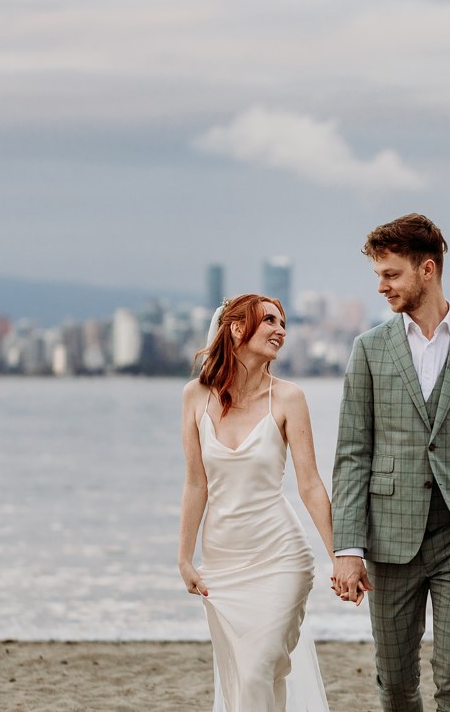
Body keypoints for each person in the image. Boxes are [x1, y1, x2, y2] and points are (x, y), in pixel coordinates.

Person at [330, 213, 450, 712]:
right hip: (390, 540)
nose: (381, 286)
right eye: (377, 275)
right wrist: (347, 548)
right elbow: (352, 455)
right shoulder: (369, 350)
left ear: (427, 269)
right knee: (394, 684)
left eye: (390, 274)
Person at [178, 293, 334, 712]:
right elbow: (196, 484)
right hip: (223, 564)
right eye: (269, 320)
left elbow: (311, 485)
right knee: (248, 677)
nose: (280, 329)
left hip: (280, 556)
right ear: (235, 328)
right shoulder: (195, 396)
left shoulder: (288, 398)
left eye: (283, 322)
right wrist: (184, 557)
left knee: (257, 670)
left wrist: (341, 556)